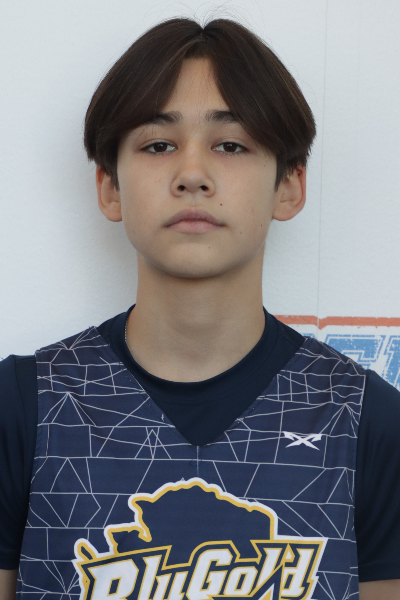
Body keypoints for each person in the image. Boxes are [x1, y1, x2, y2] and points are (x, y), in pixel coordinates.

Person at [0, 17, 399, 600]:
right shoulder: (23, 408)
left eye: (230, 145)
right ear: (109, 186)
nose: (192, 174)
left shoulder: (367, 422)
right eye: (158, 145)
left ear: (289, 184)